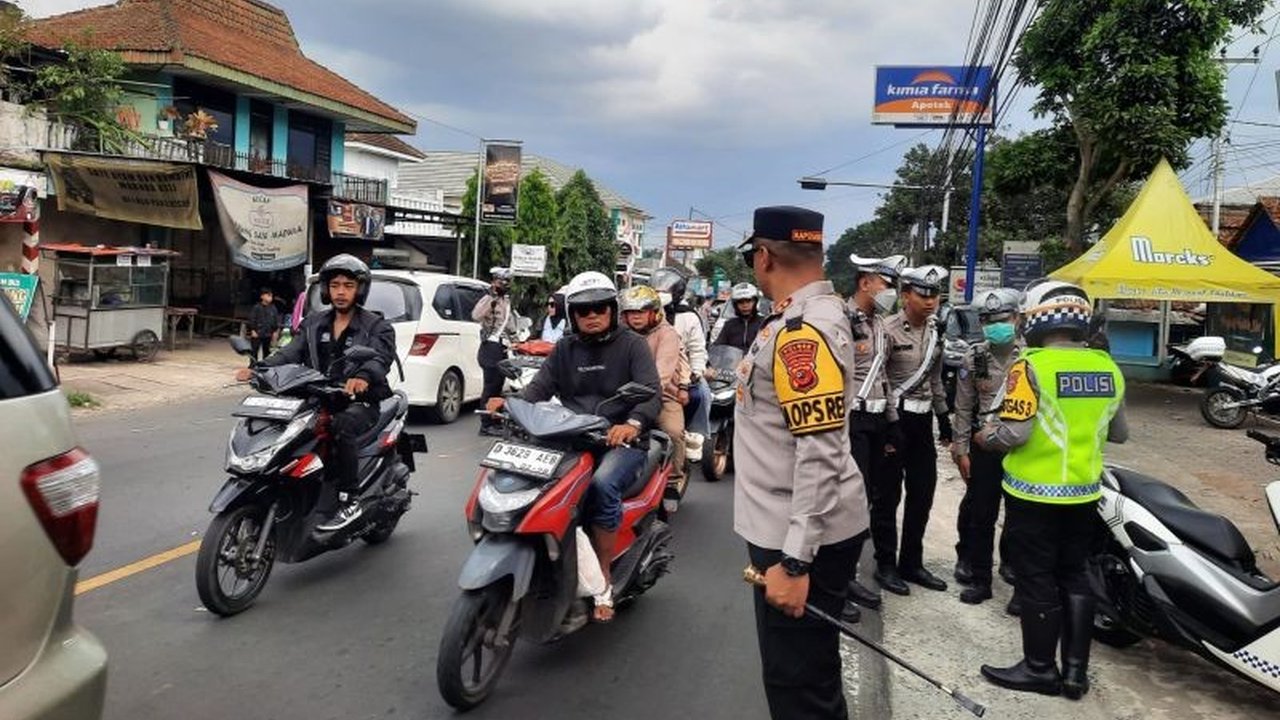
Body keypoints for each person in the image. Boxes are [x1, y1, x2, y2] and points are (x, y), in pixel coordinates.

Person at [733, 206, 869, 720]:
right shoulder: (809, 316)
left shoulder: (802, 331)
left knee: (799, 687)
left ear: (764, 257)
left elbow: (819, 451)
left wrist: (794, 561)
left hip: (799, 533)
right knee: (807, 673)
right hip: (803, 526)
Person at [976, 280, 1127, 699]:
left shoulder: (1030, 367)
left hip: (1034, 495)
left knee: (1037, 577)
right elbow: (1120, 433)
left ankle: (1040, 668)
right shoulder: (1108, 368)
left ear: (1036, 320)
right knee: (1076, 575)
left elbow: (1015, 433)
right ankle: (1075, 674)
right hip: (1084, 494)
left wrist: (985, 437)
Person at [488, 271, 662, 623]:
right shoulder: (565, 348)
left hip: (621, 440)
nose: (592, 315)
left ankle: (603, 578)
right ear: (572, 314)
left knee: (602, 485)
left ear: (612, 309)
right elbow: (539, 389)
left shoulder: (632, 345)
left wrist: (631, 424)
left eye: (600, 308)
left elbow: (651, 392)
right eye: (583, 310)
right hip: (572, 435)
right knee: (533, 480)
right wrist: (511, 404)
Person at [235, 254, 396, 531]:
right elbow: (290, 352)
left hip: (360, 402)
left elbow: (380, 358)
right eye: (335, 285)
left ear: (360, 290)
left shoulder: (376, 326)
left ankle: (349, 499)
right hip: (319, 397)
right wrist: (259, 369)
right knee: (285, 426)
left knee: (341, 426)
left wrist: (362, 377)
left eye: (348, 285)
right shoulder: (313, 323)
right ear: (326, 290)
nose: (341, 292)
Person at [875, 265, 952, 595]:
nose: (930, 301)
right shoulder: (887, 329)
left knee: (922, 494)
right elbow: (878, 379)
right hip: (894, 421)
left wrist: (944, 418)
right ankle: (885, 564)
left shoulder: (936, 332)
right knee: (887, 496)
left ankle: (911, 562)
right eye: (923, 294)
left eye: (935, 295)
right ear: (905, 296)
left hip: (922, 423)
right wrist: (890, 425)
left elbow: (935, 380)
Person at [840, 254, 907, 623]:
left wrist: (892, 421)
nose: (891, 292)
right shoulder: (842, 320)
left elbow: (883, 377)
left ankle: (847, 577)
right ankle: (835, 583)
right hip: (851, 420)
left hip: (878, 420)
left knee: (867, 501)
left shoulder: (880, 325)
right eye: (886, 284)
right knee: (846, 503)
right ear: (865, 283)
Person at [951, 288, 1024, 606]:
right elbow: (963, 406)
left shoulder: (1030, 357)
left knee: (1020, 517)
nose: (996, 326)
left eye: (1002, 319)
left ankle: (1015, 570)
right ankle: (980, 577)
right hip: (985, 445)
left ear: (1017, 318)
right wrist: (961, 450)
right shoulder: (975, 357)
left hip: (1021, 446)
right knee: (981, 513)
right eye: (989, 321)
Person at [620, 285, 689, 495]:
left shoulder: (667, 334)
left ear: (654, 312)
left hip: (662, 395)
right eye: (631, 312)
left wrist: (643, 401)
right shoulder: (620, 334)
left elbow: (661, 376)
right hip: (622, 395)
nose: (636, 317)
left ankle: (674, 479)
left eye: (641, 311)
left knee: (673, 432)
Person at [653, 268, 710, 462]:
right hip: (649, 372)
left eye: (665, 289)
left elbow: (697, 349)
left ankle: (694, 433)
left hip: (680, 374)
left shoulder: (689, 316)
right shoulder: (645, 312)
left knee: (701, 393)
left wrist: (696, 372)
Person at [473, 267, 519, 436]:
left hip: (501, 348)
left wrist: (516, 341)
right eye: (500, 282)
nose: (504, 285)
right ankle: (486, 425)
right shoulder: (488, 299)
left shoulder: (505, 301)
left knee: (498, 387)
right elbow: (476, 316)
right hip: (490, 348)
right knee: (490, 388)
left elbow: (509, 323)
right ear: (493, 282)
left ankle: (495, 420)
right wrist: (491, 298)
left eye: (506, 282)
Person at [713, 282, 766, 352]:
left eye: (748, 301)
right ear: (735, 305)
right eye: (740, 302)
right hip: (733, 359)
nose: (745, 305)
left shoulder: (764, 324)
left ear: (755, 302)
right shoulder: (729, 325)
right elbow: (718, 346)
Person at [247, 287, 281, 363]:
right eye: (268, 295)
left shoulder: (273, 308)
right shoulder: (256, 307)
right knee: (254, 351)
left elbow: (275, 321)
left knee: (266, 352)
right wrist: (253, 330)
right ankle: (253, 365)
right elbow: (252, 319)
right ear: (262, 296)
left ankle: (265, 365)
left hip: (268, 333)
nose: (270, 297)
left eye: (271, 296)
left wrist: (275, 331)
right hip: (257, 333)